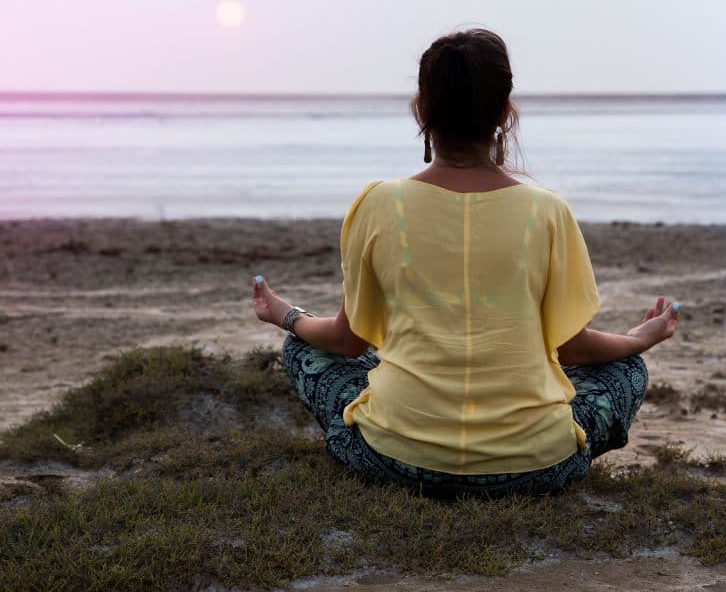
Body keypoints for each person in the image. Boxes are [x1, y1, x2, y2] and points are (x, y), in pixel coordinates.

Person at [251, 28, 679, 496]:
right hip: (536, 467)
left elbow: (346, 340)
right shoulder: (547, 210)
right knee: (627, 368)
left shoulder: (379, 203)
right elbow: (573, 350)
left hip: (396, 458)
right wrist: (639, 338)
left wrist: (287, 316)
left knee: (303, 349)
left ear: (422, 110)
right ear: (504, 112)